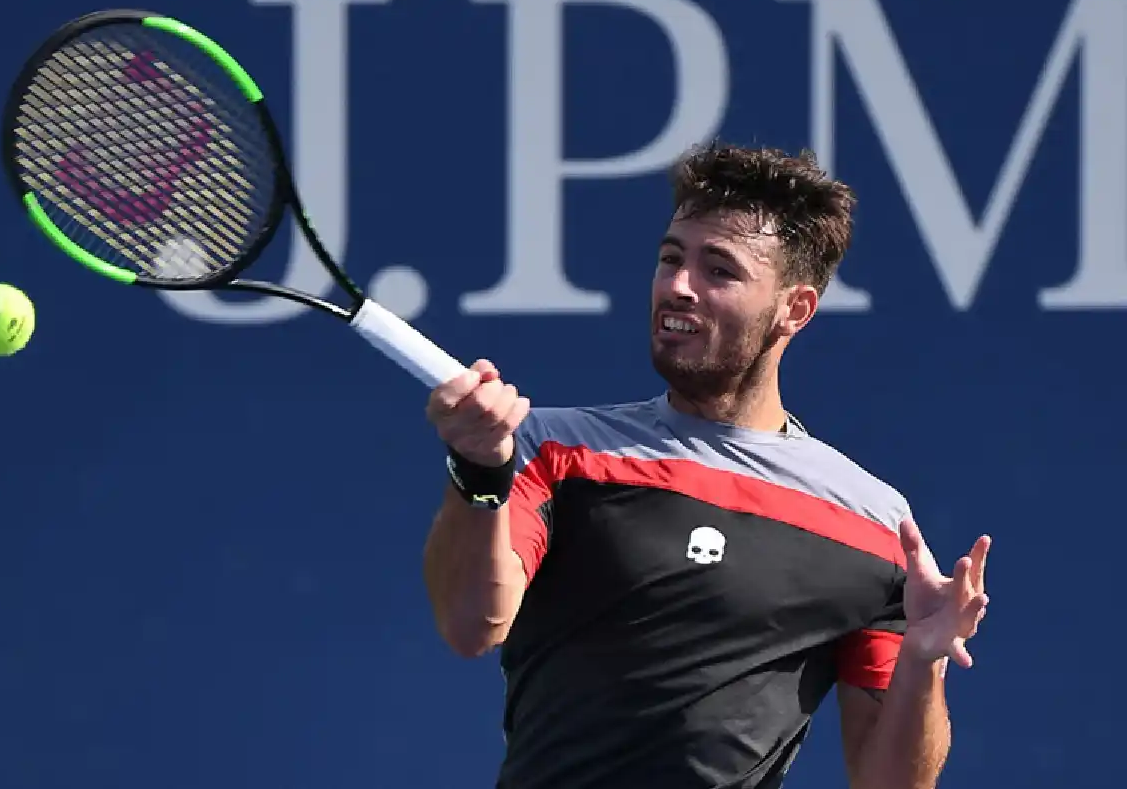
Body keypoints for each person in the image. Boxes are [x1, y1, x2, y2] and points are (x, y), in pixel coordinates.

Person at [422, 141, 991, 789]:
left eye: (718, 270)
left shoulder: (875, 527)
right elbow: (472, 625)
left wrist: (922, 660)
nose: (677, 286)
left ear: (793, 309)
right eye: (671, 259)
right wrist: (477, 470)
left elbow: (891, 784)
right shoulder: (555, 450)